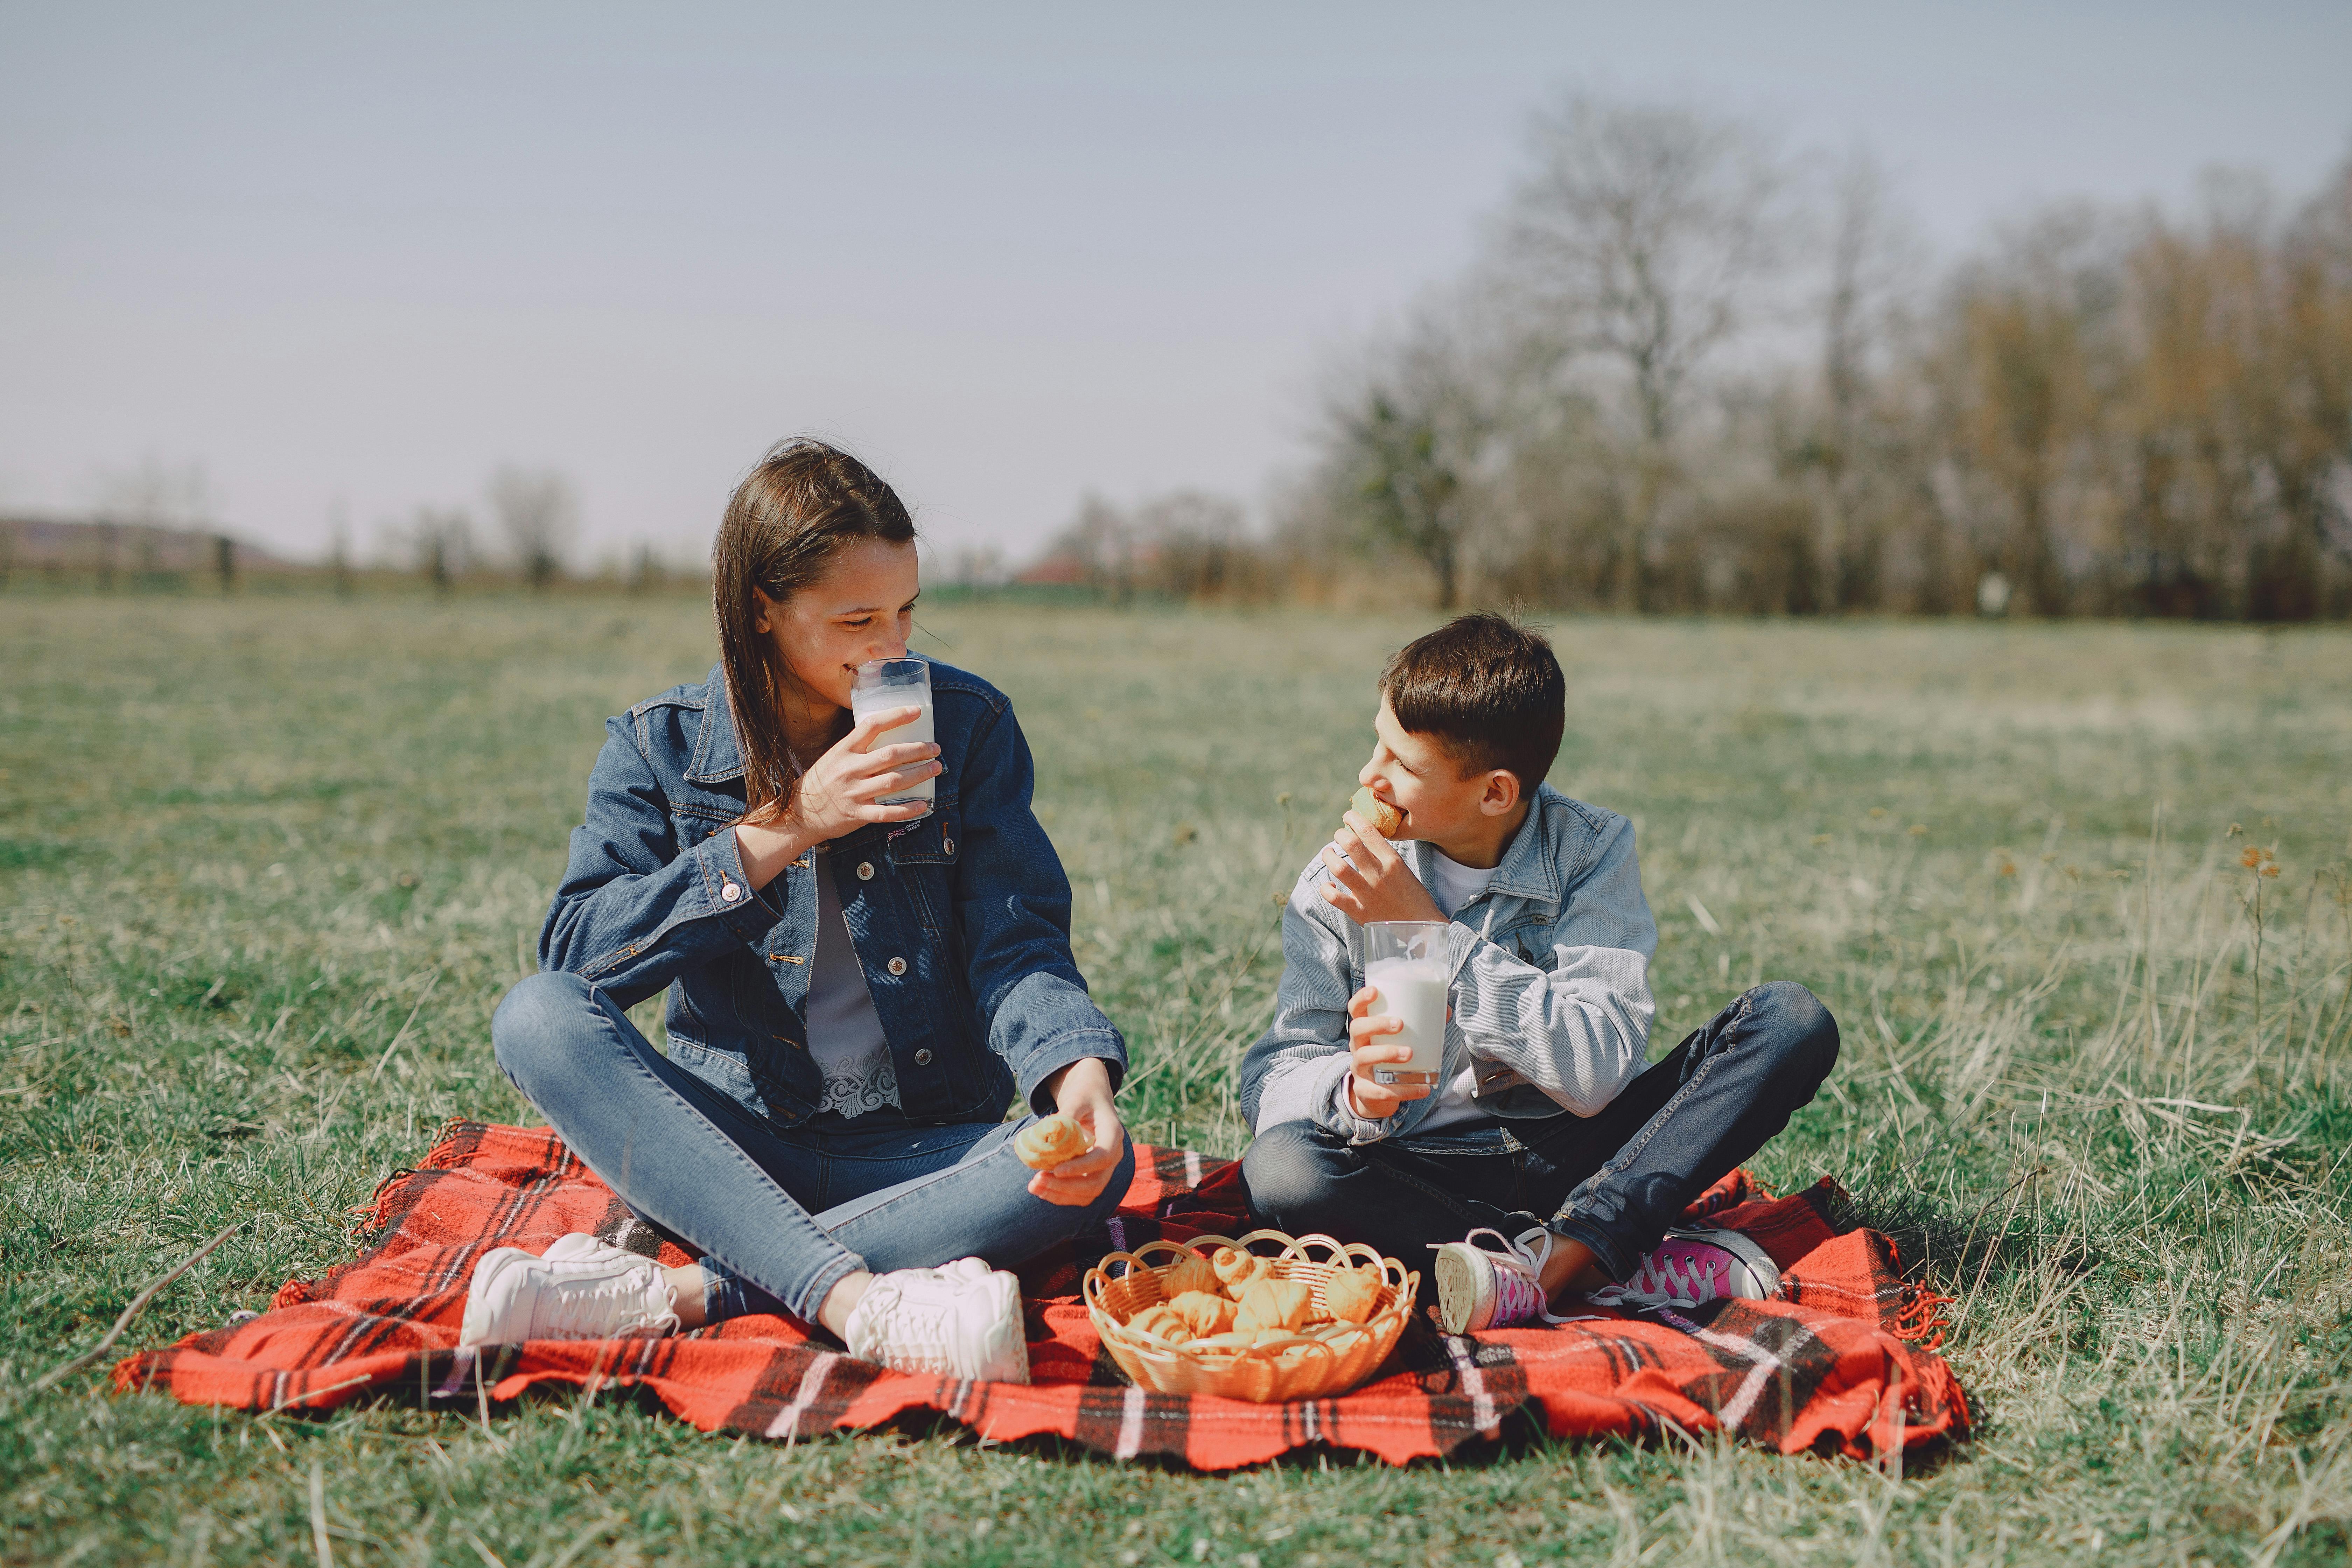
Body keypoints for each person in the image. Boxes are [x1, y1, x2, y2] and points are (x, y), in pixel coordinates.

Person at [457, 439, 1133, 1382]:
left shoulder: (970, 727)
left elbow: (1015, 939)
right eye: (856, 619)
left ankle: (683, 1293)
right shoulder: (660, 747)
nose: (892, 649)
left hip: (923, 1147)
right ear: (762, 610)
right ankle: (860, 1302)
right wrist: (789, 826)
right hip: (733, 1144)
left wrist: (1076, 1077)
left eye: (906, 614)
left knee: (1100, 1165)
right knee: (533, 1018)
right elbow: (577, 961)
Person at [1238, 613, 1838, 1334]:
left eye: (1403, 763)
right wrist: (1356, 1095)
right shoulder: (1336, 884)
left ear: (1494, 792)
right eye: (1378, 741)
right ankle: (1595, 1258)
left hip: (1581, 1150)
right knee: (1281, 1169)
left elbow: (1596, 1075)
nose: (1370, 774)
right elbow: (1274, 1076)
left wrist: (1434, 937)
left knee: (1792, 1020)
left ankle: (1557, 1260)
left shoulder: (1590, 852)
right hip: (1421, 1165)